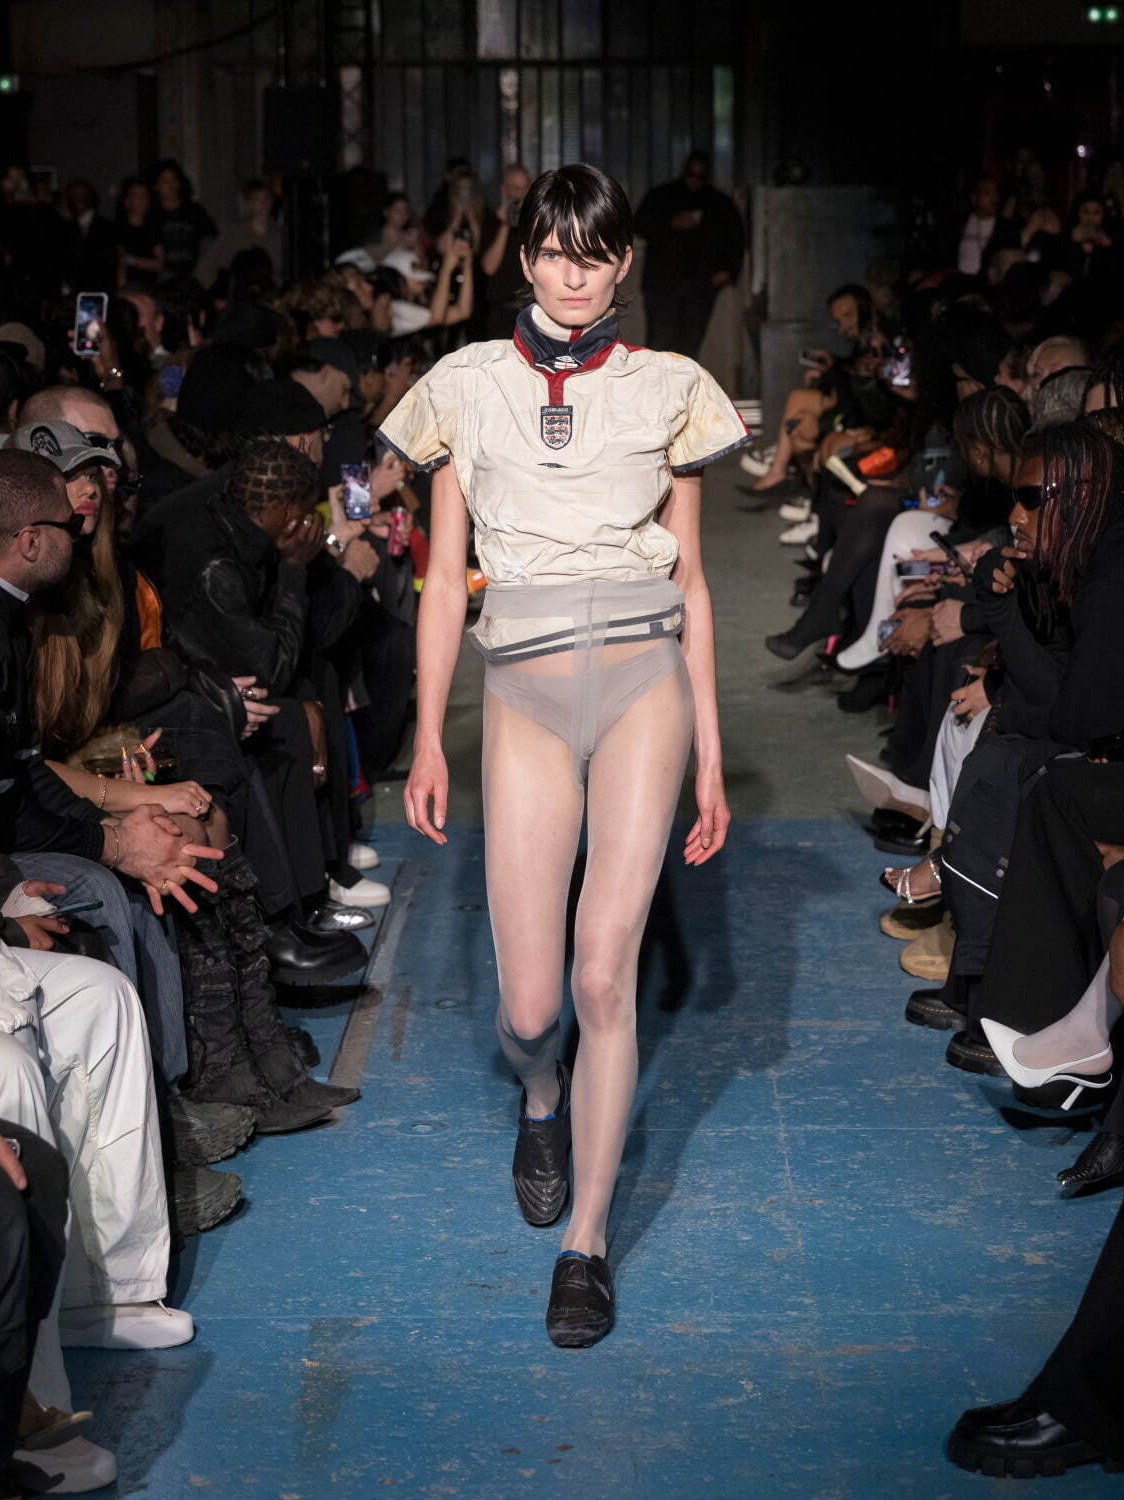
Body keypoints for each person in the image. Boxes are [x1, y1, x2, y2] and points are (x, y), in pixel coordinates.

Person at [380, 162, 749, 1348]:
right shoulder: (463, 384)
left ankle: (584, 1243)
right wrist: (427, 735)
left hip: (644, 680)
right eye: (550, 251)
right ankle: (538, 1096)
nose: (571, 275)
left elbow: (692, 581)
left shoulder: (671, 388)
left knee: (603, 980)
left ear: (623, 261)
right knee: (532, 1009)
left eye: (592, 254)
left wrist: (710, 752)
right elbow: (444, 581)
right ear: (524, 257)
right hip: (523, 689)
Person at [633, 151, 745, 359]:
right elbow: (638, 225)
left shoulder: (718, 203)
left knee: (689, 347)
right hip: (662, 284)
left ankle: (683, 382)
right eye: (691, 174)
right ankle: (657, 382)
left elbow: (736, 238)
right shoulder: (661, 196)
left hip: (700, 285)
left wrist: (727, 270)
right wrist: (670, 223)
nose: (695, 180)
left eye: (700, 176)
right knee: (660, 343)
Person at [194, 179, 283, 291]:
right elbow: (209, 262)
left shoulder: (281, 234)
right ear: (249, 203)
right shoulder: (234, 234)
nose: (263, 204)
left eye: (266, 198)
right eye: (257, 199)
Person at [480, 164, 532, 339]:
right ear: (504, 190)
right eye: (516, 188)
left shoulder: (536, 222)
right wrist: (504, 224)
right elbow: (489, 267)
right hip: (502, 312)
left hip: (532, 309)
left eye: (526, 187)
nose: (522, 193)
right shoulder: (491, 222)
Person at [151, 159, 217, 280]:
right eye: (165, 181)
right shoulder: (151, 215)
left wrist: (201, 271)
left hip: (195, 275)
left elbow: (209, 241)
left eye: (174, 180)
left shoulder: (195, 211)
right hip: (162, 278)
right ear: (156, 186)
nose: (171, 186)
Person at [114, 177, 164, 289]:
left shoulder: (154, 230)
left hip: (149, 288)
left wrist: (132, 260)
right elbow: (120, 260)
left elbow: (159, 265)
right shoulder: (116, 229)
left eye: (145, 195)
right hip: (125, 289)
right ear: (126, 201)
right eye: (137, 195)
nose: (142, 199)